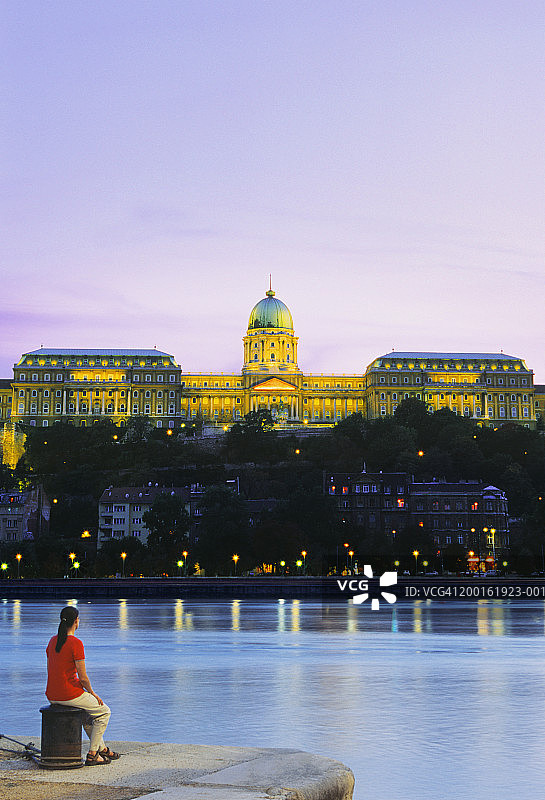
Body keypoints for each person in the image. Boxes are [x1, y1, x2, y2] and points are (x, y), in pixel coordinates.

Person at [45, 606, 120, 766]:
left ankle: (103, 749)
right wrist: (93, 693)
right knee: (104, 712)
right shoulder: (76, 643)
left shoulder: (52, 641)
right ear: (76, 621)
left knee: (87, 716)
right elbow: (83, 677)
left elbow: (54, 670)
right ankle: (93, 754)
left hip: (52, 694)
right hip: (68, 694)